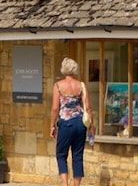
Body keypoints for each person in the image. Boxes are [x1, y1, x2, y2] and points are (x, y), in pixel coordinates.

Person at [48, 58, 90, 186]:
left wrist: (52, 125)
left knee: (61, 154)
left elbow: (55, 108)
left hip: (66, 123)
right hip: (80, 123)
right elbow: (87, 107)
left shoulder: (58, 85)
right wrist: (91, 126)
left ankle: (65, 184)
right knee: (78, 156)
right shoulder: (81, 85)